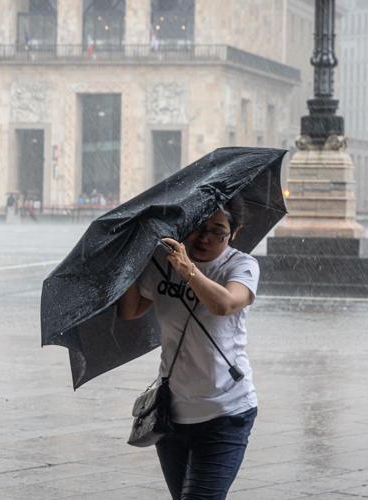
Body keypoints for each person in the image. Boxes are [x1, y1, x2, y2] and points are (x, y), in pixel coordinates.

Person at [117, 195, 259, 500]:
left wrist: (188, 270)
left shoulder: (241, 266)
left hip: (226, 411)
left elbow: (224, 304)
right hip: (171, 413)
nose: (204, 238)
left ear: (234, 232)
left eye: (217, 230)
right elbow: (130, 311)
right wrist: (129, 258)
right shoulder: (163, 263)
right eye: (198, 226)